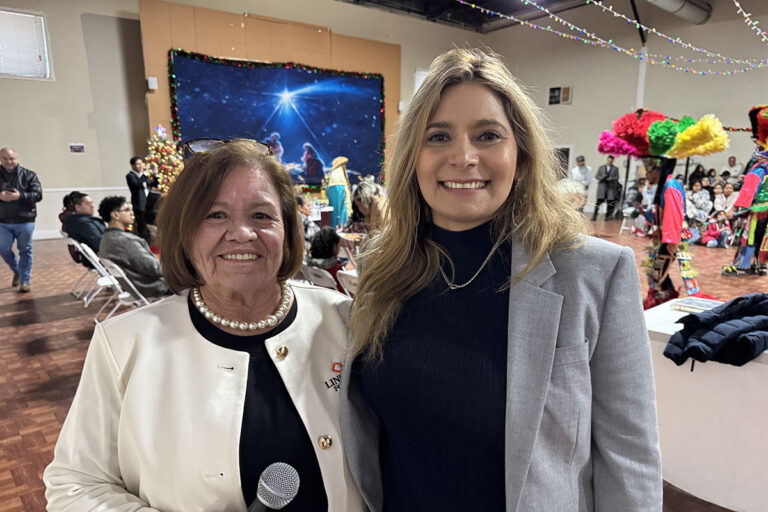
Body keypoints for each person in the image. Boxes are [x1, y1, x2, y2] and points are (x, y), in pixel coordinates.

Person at [340, 48, 661, 511]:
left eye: (488, 135)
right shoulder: (382, 267)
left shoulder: (593, 273)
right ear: (413, 157)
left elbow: (629, 456)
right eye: (439, 136)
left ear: (522, 155)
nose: (464, 157)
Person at [44, 141, 363, 511]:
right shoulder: (125, 344)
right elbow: (75, 483)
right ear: (185, 231)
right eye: (215, 215)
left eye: (262, 215)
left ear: (288, 228)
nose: (242, 233)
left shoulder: (342, 318)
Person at [96, 196, 169, 298]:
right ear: (115, 215)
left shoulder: (106, 238)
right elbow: (155, 269)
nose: (132, 213)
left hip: (135, 289)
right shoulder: (125, 241)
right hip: (154, 287)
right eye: (127, 210)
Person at [0, 147, 42, 293]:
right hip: (2, 221)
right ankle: (17, 270)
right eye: (5, 158)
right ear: (0, 159)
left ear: (16, 158)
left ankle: (25, 281)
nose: (9, 161)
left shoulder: (29, 175)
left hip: (25, 220)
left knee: (25, 250)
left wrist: (20, 196)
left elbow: (38, 195)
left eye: (11, 158)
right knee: (3, 249)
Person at [125, 156, 156, 243]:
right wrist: (144, 175)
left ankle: (151, 242)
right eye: (137, 164)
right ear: (132, 165)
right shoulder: (130, 176)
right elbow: (137, 185)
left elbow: (153, 184)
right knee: (142, 226)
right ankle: (144, 244)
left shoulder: (143, 176)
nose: (140, 166)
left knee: (150, 224)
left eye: (141, 164)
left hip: (148, 204)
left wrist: (156, 175)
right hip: (139, 205)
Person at [308, 227, 346, 293]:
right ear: (334, 245)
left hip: (320, 294)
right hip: (337, 298)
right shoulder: (335, 266)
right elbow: (343, 290)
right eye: (338, 244)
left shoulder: (311, 264)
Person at [326, 156, 353, 228]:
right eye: (344, 164)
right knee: (340, 212)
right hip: (340, 216)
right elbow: (341, 204)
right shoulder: (338, 177)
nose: (345, 167)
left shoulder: (334, 176)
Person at [592, 154, 621, 220]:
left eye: (611, 161)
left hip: (610, 189)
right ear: (607, 160)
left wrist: (612, 178)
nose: (610, 162)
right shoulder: (601, 167)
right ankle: (594, 216)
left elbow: (617, 177)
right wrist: (602, 177)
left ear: (613, 161)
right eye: (609, 160)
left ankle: (607, 216)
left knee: (610, 203)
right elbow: (597, 176)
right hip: (602, 188)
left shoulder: (615, 169)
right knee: (598, 203)